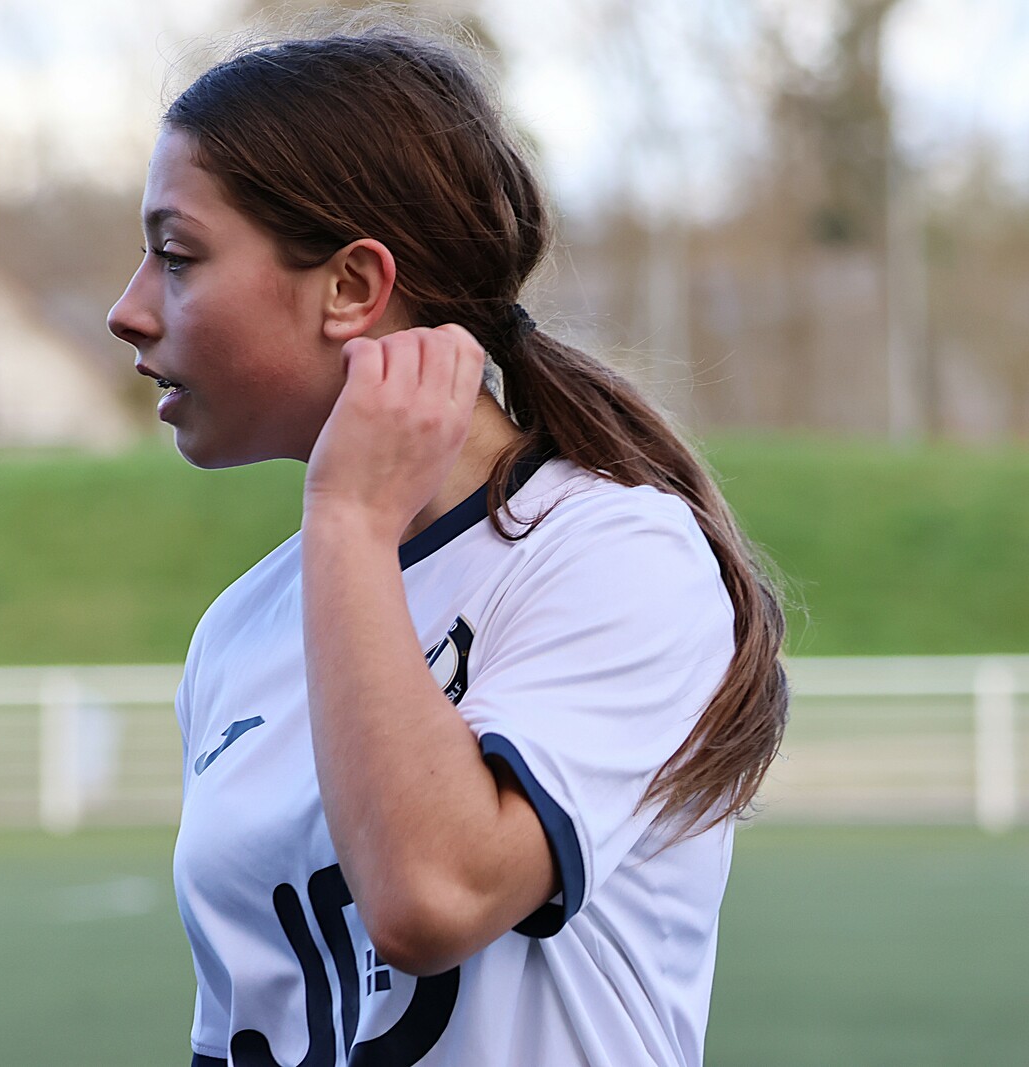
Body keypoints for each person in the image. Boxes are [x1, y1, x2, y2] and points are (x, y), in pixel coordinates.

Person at [106, 22, 788, 1067]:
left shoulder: (618, 557)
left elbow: (432, 896)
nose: (129, 309)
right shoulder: (239, 629)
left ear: (352, 286)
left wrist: (347, 515)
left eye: (177, 255)